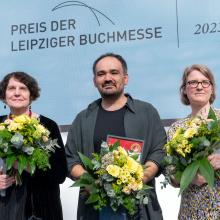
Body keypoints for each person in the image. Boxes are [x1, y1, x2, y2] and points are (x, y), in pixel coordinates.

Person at [65, 53, 167, 220]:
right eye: (101, 74)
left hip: (140, 208)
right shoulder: (83, 119)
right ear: (94, 81)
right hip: (95, 209)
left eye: (114, 72)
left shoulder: (146, 112)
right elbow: (70, 158)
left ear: (125, 78)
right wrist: (91, 183)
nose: (107, 78)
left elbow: (159, 150)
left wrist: (141, 177)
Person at [0, 71, 67, 220]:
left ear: (32, 95)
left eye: (23, 88)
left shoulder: (48, 126)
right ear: (4, 96)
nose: (17, 93)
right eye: (11, 88)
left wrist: (28, 166)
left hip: (42, 209)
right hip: (5, 208)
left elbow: (60, 174)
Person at [167, 64, 220, 219]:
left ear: (212, 88)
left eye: (205, 82)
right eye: (192, 82)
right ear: (184, 89)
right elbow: (170, 174)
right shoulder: (177, 129)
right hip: (191, 211)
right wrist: (189, 177)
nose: (199, 87)